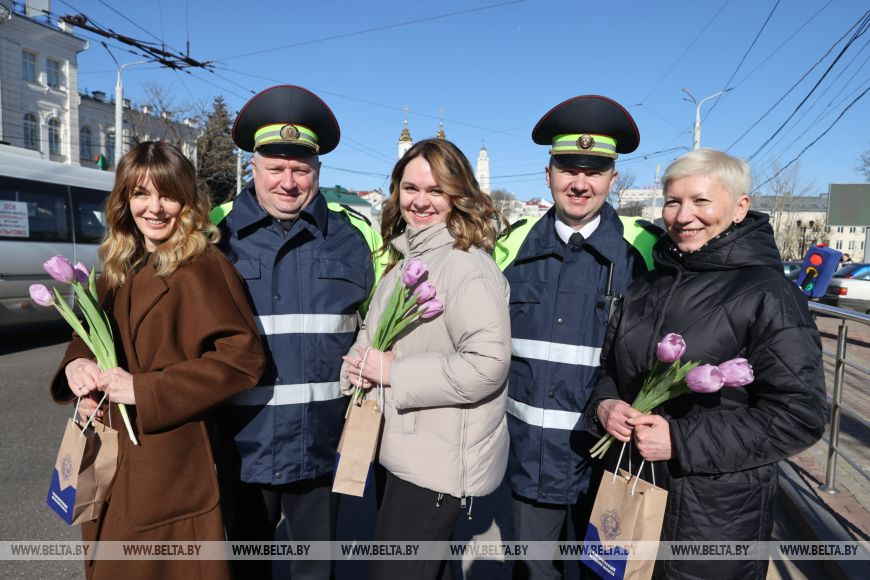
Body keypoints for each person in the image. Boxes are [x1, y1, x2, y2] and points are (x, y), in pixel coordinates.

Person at [587, 148, 827, 579]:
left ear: (739, 208)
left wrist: (680, 441)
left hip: (710, 518)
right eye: (673, 201)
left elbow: (799, 414)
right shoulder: (648, 282)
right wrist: (605, 405)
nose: (683, 216)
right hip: (629, 489)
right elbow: (612, 368)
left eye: (701, 201)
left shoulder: (768, 293)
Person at [50, 141, 265, 580]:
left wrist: (146, 389)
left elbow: (244, 359)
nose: (155, 208)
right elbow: (87, 335)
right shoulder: (118, 264)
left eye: (167, 194)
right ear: (124, 201)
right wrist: (78, 367)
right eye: (140, 194)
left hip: (167, 458)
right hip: (111, 449)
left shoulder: (203, 265)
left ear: (187, 201)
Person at [212, 85, 378, 580]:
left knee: (316, 573)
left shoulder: (353, 240)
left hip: (322, 451)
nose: (288, 182)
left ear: (318, 172)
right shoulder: (212, 239)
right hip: (240, 447)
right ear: (254, 168)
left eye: (300, 169)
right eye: (275, 168)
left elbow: (377, 330)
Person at [495, 95, 655, 580]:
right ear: (548, 174)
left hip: (609, 464)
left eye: (595, 169)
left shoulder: (644, 249)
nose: (580, 183)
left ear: (612, 177)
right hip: (530, 460)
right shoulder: (512, 242)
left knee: (604, 575)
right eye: (568, 168)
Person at [341, 138, 511, 580]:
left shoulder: (467, 267)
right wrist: (357, 362)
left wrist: (391, 371)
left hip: (437, 464)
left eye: (435, 190)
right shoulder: (407, 260)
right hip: (403, 445)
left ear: (459, 195)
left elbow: (486, 365)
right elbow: (375, 333)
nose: (420, 201)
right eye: (410, 188)